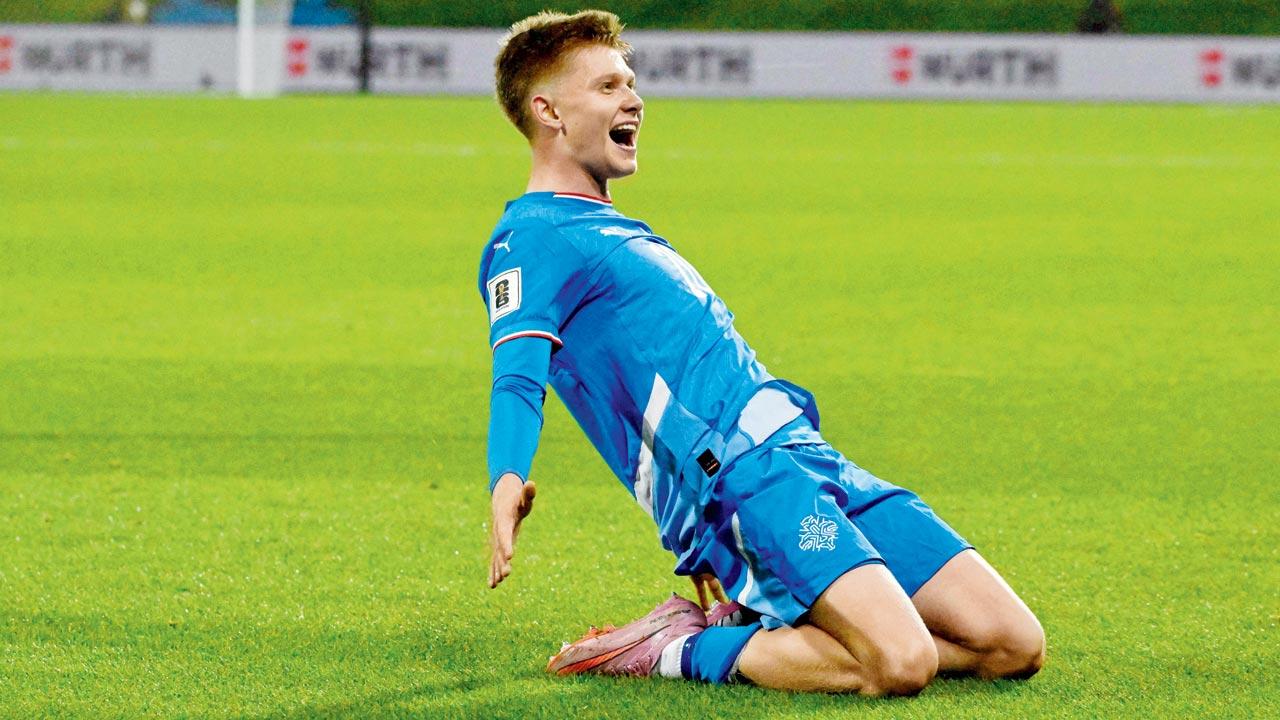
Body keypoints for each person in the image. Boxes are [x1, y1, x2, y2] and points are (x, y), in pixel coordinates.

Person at [479, 10, 1045, 695]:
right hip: (743, 481)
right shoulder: (531, 237)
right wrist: (507, 477)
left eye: (630, 83)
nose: (633, 99)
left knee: (1015, 644)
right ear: (547, 110)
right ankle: (676, 647)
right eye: (605, 87)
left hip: (804, 455)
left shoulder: (607, 226)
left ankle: (784, 626)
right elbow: (517, 374)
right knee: (901, 663)